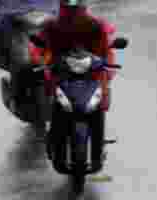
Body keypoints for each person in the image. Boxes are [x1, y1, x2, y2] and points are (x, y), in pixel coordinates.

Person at [30, 0, 118, 168]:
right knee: (51, 98)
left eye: (76, 3)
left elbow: (106, 51)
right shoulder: (51, 26)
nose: (73, 7)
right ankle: (54, 135)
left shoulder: (96, 26)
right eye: (69, 3)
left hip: (91, 75)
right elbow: (39, 49)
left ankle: (98, 146)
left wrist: (106, 68)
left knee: (100, 102)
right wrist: (42, 62)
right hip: (61, 75)